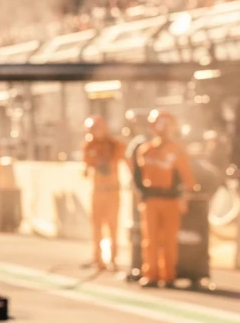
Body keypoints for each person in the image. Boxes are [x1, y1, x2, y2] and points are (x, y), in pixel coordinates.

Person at [133, 109, 197, 287]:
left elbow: (187, 178)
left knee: (169, 240)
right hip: (151, 200)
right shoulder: (145, 150)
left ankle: (168, 276)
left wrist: (184, 198)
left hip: (171, 200)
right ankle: (150, 274)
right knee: (150, 239)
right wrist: (141, 196)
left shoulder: (177, 150)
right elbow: (137, 177)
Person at [82, 115, 127, 270]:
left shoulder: (115, 145)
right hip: (97, 192)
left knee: (112, 226)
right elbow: (85, 169)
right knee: (96, 227)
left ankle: (113, 259)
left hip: (112, 191)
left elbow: (125, 159)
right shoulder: (89, 146)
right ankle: (97, 258)